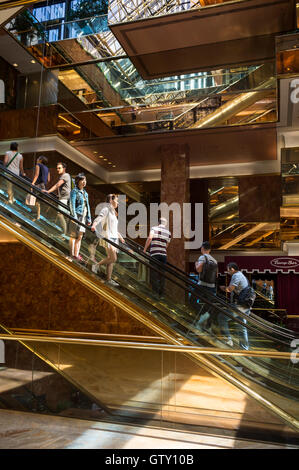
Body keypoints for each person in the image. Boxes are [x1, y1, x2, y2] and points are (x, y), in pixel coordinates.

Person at [91, 194, 125, 287]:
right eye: (116, 200)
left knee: (111, 259)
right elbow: (99, 217)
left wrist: (120, 237)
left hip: (114, 238)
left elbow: (114, 228)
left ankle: (108, 279)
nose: (117, 202)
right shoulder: (106, 209)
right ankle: (96, 265)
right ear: (111, 200)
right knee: (113, 258)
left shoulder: (114, 212)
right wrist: (94, 225)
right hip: (108, 237)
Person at [219, 262, 251, 349]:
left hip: (240, 305)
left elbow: (230, 289)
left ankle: (228, 340)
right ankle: (244, 349)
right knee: (242, 327)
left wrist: (222, 288)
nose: (227, 272)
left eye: (228, 270)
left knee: (222, 317)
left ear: (232, 269)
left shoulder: (236, 275)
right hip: (246, 305)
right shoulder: (242, 275)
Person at [143, 217, 171, 298]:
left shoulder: (154, 228)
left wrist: (144, 249)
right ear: (165, 224)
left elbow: (150, 238)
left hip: (155, 253)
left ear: (158, 222)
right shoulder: (168, 232)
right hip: (163, 255)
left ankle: (155, 292)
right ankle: (161, 294)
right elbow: (167, 245)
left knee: (153, 273)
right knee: (162, 274)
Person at [194, 241, 218, 329]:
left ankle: (203, 315)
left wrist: (196, 264)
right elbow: (216, 275)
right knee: (208, 305)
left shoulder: (203, 257)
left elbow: (199, 270)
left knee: (192, 300)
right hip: (211, 286)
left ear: (202, 249)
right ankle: (207, 325)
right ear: (210, 250)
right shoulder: (214, 260)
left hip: (202, 284)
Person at [44, 162, 71, 237]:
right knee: (65, 216)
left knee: (60, 214)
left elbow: (57, 185)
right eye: (57, 168)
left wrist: (48, 191)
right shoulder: (64, 176)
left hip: (64, 199)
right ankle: (66, 233)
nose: (57, 169)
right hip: (64, 198)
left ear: (64, 169)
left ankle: (65, 233)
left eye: (59, 168)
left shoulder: (65, 175)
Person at [69, 173, 91, 261]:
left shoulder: (85, 193)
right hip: (77, 215)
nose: (84, 182)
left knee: (80, 236)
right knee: (73, 235)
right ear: (78, 181)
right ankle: (72, 254)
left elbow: (87, 206)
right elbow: (72, 204)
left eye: (85, 180)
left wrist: (89, 217)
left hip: (83, 217)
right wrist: (74, 216)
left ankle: (76, 254)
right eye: (82, 180)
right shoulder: (74, 191)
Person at [31, 155, 50, 220]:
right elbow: (48, 179)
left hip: (38, 185)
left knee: (33, 200)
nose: (37, 159)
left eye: (38, 158)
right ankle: (38, 216)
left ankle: (34, 215)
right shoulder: (47, 168)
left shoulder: (38, 165)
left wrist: (32, 183)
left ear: (40, 160)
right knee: (38, 202)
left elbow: (36, 174)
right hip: (43, 186)